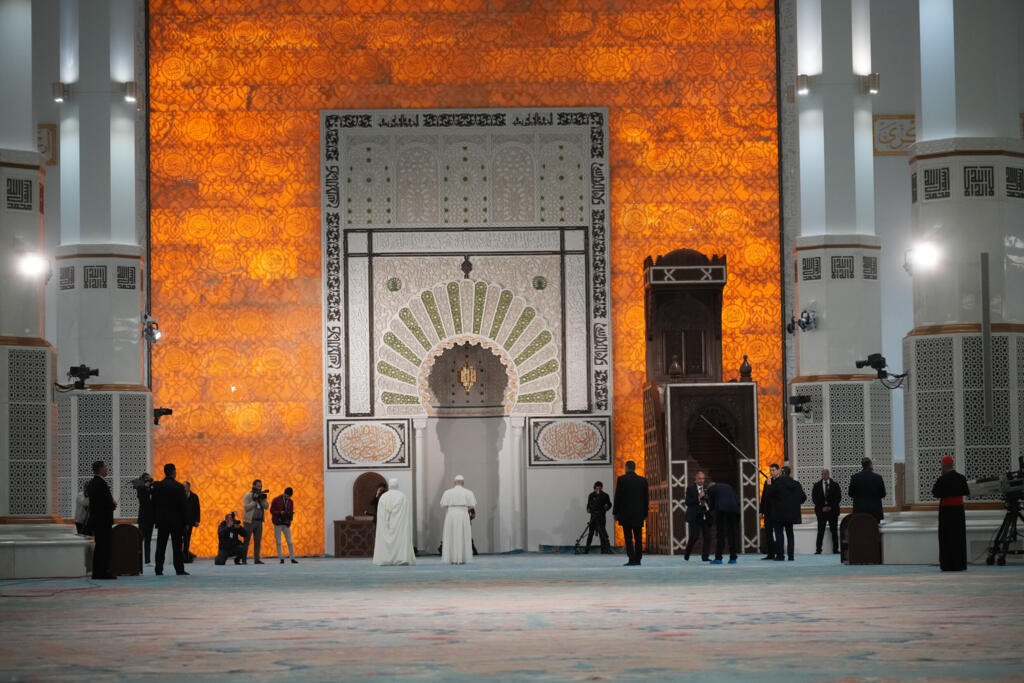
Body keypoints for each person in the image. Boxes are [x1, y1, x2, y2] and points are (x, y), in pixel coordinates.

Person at [932, 455, 970, 571]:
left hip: (946, 512)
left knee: (946, 537)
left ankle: (947, 565)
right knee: (959, 537)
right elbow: (966, 491)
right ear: (952, 465)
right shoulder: (961, 478)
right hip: (958, 511)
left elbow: (935, 493)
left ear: (943, 466)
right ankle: (959, 564)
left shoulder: (942, 479)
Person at [152, 463, 189, 576]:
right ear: (173, 472)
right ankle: (179, 569)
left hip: (162, 520)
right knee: (177, 547)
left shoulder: (158, 486)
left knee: (160, 545)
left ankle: (158, 569)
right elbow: (183, 506)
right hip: (176, 522)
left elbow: (154, 503)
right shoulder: (179, 487)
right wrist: (186, 522)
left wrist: (156, 519)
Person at [612, 460, 648, 566]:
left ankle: (631, 558)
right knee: (638, 538)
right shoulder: (643, 480)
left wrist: (615, 512)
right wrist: (645, 513)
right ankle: (638, 559)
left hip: (626, 514)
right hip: (638, 514)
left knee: (628, 538)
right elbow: (646, 498)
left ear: (626, 468)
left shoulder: (621, 479)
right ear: (634, 468)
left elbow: (617, 497)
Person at [373, 478, 416, 566]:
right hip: (399, 526)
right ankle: (400, 558)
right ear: (397, 485)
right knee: (399, 540)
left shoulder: (383, 497)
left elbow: (381, 514)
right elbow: (405, 514)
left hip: (386, 526)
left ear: (389, 486)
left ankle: (385, 558)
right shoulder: (402, 496)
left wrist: (386, 522)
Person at [86, 460, 117, 580]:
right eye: (105, 467)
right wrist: (113, 504)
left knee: (99, 546)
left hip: (97, 520)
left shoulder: (92, 482)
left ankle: (98, 572)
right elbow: (105, 502)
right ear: (100, 469)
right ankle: (103, 572)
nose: (107, 469)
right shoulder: (100, 483)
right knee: (104, 547)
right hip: (103, 520)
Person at [768, 465, 806, 561]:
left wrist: (769, 485)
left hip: (778, 513)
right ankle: (791, 556)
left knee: (779, 534)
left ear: (781, 472)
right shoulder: (796, 484)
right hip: (791, 514)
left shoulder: (777, 483)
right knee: (790, 535)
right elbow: (803, 498)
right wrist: (794, 503)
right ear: (790, 473)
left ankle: (780, 556)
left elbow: (769, 495)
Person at [440, 475, 477, 564]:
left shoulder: (447, 492)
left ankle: (451, 558)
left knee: (451, 535)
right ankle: (463, 558)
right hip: (463, 514)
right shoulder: (469, 492)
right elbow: (472, 505)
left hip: (451, 515)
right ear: (463, 483)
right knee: (463, 535)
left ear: (454, 482)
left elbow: (443, 505)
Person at [707, 477, 739, 564]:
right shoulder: (728, 486)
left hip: (721, 510)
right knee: (732, 534)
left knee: (721, 534)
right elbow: (737, 498)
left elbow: (711, 504)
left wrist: (709, 514)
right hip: (733, 510)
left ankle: (718, 558)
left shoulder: (710, 489)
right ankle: (733, 558)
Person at [683, 470, 712, 562]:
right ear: (696, 479)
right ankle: (687, 553)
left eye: (703, 479)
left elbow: (710, 502)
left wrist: (708, 500)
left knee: (707, 536)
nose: (701, 480)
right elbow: (687, 502)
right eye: (699, 478)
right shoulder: (690, 488)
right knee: (694, 536)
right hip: (694, 515)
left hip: (704, 515)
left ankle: (705, 556)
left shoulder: (707, 489)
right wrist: (698, 497)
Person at [812, 468, 841, 554]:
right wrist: (822, 507)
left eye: (825, 474)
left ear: (828, 474)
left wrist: (830, 507)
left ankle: (835, 550)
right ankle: (818, 550)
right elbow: (814, 498)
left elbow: (838, 498)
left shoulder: (835, 485)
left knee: (834, 531)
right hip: (821, 512)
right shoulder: (816, 485)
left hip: (833, 511)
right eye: (822, 474)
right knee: (820, 531)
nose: (824, 475)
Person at [849, 457, 886, 521]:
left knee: (861, 527)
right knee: (873, 527)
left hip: (859, 510)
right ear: (870, 465)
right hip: (875, 511)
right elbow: (883, 494)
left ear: (862, 465)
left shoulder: (855, 477)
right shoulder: (878, 477)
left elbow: (850, 493)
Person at [243, 479, 270, 564]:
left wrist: (261, 499)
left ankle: (257, 559)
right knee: (246, 541)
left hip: (259, 522)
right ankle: (244, 559)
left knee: (258, 541)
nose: (260, 487)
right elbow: (246, 507)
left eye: (261, 486)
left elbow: (267, 506)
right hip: (249, 521)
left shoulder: (261, 495)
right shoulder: (248, 495)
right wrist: (255, 501)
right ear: (254, 485)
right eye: (258, 486)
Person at [270, 487, 298, 564]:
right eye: (287, 496)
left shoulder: (291, 502)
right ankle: (281, 558)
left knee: (290, 541)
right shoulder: (276, 500)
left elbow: (291, 511)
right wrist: (280, 512)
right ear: (284, 493)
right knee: (278, 542)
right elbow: (271, 511)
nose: (288, 497)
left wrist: (290, 517)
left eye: (289, 496)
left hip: (286, 523)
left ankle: (292, 558)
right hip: (277, 523)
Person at [132, 472, 155, 564]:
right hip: (143, 518)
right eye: (148, 479)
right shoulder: (141, 488)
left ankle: (147, 560)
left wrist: (150, 487)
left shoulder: (151, 488)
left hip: (151, 518)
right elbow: (143, 500)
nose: (150, 480)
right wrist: (146, 487)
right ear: (144, 480)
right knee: (140, 540)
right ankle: (137, 560)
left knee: (148, 540)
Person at [759, 463, 781, 560]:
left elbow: (776, 495)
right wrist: (761, 511)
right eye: (770, 470)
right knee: (768, 533)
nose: (771, 472)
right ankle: (770, 554)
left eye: (773, 470)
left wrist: (770, 485)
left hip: (777, 511)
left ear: (778, 470)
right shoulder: (767, 481)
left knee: (778, 533)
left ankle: (779, 553)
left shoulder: (780, 481)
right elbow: (764, 497)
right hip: (768, 511)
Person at [584, 481, 612, 554]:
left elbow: (609, 504)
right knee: (590, 533)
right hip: (593, 516)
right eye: (596, 487)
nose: (598, 488)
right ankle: (587, 549)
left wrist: (607, 507)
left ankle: (604, 549)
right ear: (595, 487)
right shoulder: (591, 495)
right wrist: (588, 508)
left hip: (601, 516)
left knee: (602, 534)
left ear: (601, 487)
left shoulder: (605, 495)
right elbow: (589, 504)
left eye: (599, 487)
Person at [183, 481, 201, 563]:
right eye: (183, 487)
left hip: (190, 521)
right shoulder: (180, 496)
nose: (184, 488)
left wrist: (197, 520)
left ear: (189, 487)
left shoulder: (194, 496)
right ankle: (182, 554)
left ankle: (186, 555)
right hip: (182, 521)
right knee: (181, 539)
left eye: (185, 486)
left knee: (187, 538)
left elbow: (197, 509)